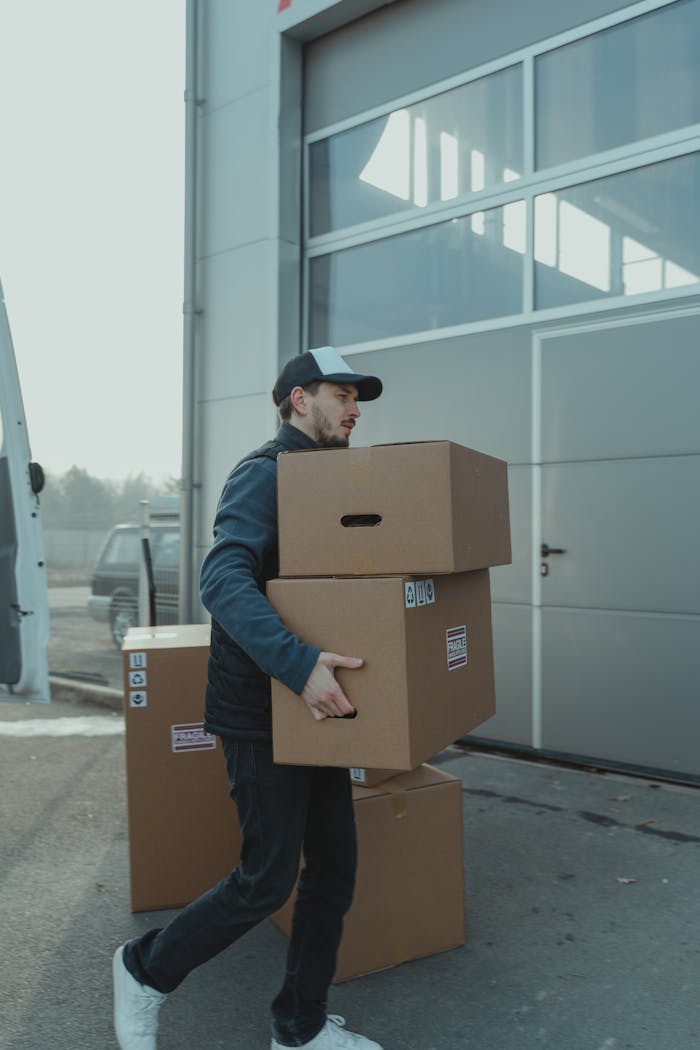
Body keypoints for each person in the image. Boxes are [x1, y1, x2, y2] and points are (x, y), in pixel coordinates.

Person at [112, 346, 385, 1050]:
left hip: (318, 704)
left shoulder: (334, 483)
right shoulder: (264, 476)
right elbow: (224, 580)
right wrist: (298, 666)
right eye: (342, 394)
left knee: (334, 867)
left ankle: (299, 1027)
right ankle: (143, 969)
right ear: (299, 399)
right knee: (266, 879)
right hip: (263, 709)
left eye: (360, 397)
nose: (356, 408)